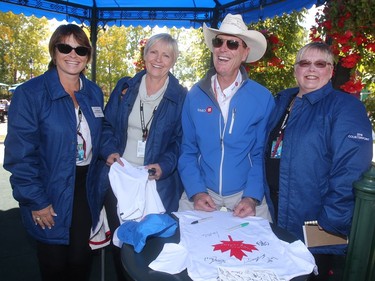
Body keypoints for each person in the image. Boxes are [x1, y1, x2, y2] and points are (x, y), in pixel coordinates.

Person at [3, 24, 105, 281]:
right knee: (54, 265)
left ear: (87, 56)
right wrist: (36, 201)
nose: (73, 54)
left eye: (80, 49)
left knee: (81, 259)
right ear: (53, 51)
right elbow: (20, 156)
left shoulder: (93, 93)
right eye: (65, 47)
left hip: (85, 189)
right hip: (49, 188)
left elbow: (104, 134)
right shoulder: (31, 94)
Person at [264, 42, 373, 280]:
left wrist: (329, 221)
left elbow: (350, 168)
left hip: (314, 219)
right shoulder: (283, 101)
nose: (311, 69)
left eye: (320, 63)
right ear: (295, 69)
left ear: (331, 70)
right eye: (305, 63)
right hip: (275, 209)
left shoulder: (345, 107)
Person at [98, 33, 186, 280]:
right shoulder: (126, 88)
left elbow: (182, 141)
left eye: (166, 55)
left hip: (155, 184)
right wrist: (109, 152)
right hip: (121, 179)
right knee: (124, 244)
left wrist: (164, 166)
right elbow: (106, 125)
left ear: (173, 61)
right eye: (153, 52)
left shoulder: (180, 97)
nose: (159, 59)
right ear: (144, 55)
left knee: (151, 245)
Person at [178, 13, 275, 219]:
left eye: (232, 44)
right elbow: (187, 151)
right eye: (218, 41)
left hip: (245, 196)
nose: (223, 48)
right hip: (202, 192)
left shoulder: (263, 98)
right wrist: (196, 191)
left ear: (245, 53)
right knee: (182, 245)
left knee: (261, 248)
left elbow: (260, 155)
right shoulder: (194, 95)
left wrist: (251, 197)